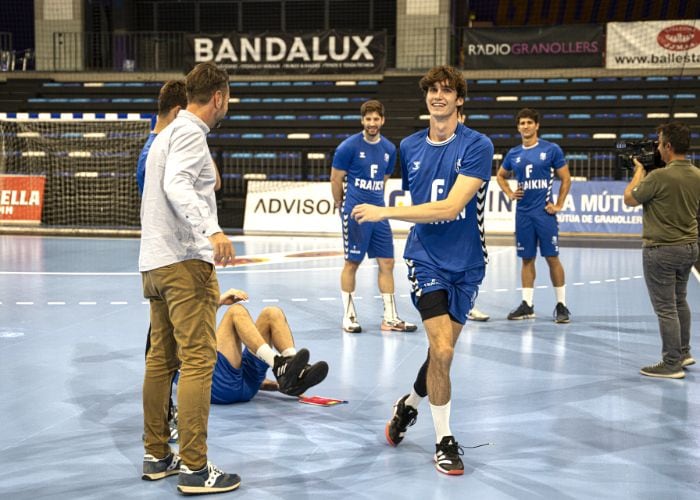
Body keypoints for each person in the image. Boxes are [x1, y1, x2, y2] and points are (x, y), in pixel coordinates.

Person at [139, 62, 304, 495]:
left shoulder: (166, 133)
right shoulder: (192, 132)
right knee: (196, 360)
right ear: (219, 98)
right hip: (183, 261)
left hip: (154, 262)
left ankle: (157, 456)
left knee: (161, 361)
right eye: (228, 98)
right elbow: (177, 186)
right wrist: (210, 231)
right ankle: (195, 467)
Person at [352, 65, 494, 475]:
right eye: (432, 90)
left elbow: (450, 207)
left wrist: (386, 211)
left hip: (468, 265)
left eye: (447, 90)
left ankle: (407, 405)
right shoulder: (410, 146)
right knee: (444, 350)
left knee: (439, 354)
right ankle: (444, 440)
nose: (438, 96)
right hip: (426, 259)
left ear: (459, 99)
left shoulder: (477, 145)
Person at [330, 99, 416, 334]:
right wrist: (341, 204)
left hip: (379, 212)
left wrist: (376, 205)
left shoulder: (389, 149)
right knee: (352, 263)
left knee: (387, 262)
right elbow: (336, 179)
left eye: (376, 119)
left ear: (382, 120)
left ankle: (389, 317)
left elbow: (383, 181)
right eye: (368, 119)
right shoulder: (348, 147)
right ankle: (348, 316)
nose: (372, 123)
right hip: (355, 212)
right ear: (362, 121)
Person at [623, 121, 700, 379]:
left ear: (668, 146)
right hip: (689, 247)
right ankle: (683, 351)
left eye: (658, 143)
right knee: (680, 301)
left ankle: (671, 362)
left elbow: (630, 198)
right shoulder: (696, 174)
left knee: (666, 308)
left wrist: (639, 171)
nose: (656, 147)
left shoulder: (658, 176)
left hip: (662, 250)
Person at [495, 108, 572, 323]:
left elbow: (566, 178)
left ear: (537, 126)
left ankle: (561, 305)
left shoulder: (551, 149)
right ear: (518, 127)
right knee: (526, 259)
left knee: (551, 257)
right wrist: (510, 192)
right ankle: (527, 305)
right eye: (522, 123)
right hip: (523, 215)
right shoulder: (514, 154)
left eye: (530, 122)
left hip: (544, 215)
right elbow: (500, 176)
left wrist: (558, 204)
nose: (526, 126)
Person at [206, 288, 328, 404]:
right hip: (218, 386)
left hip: (244, 386)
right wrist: (220, 300)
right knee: (235, 311)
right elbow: (195, 324)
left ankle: (295, 377)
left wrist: (278, 386)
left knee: (272, 313)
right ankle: (280, 365)